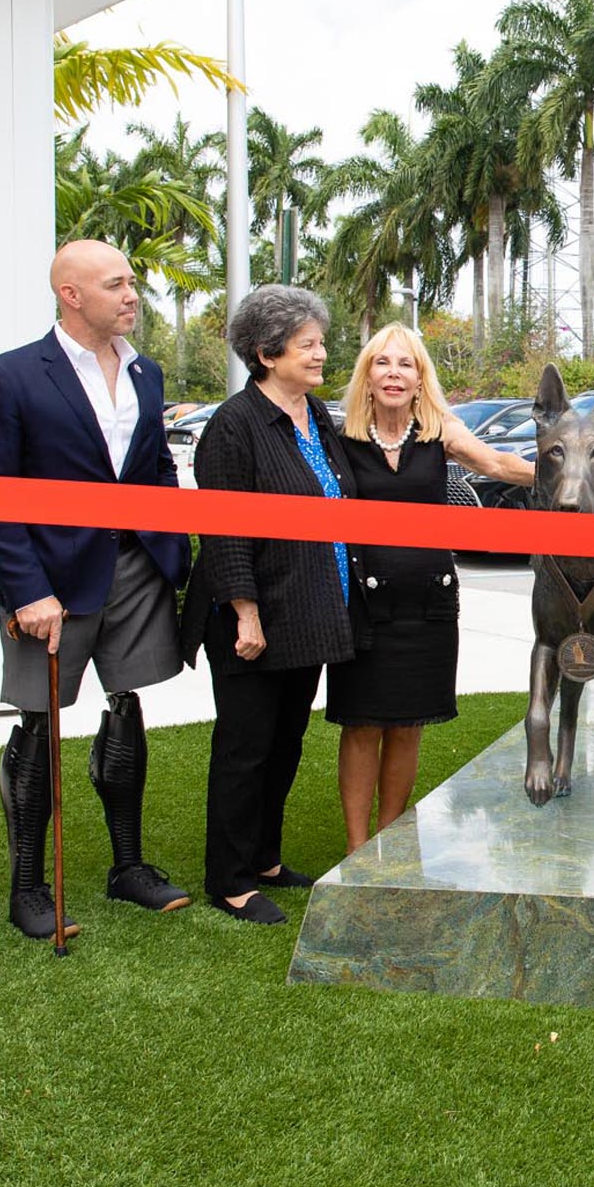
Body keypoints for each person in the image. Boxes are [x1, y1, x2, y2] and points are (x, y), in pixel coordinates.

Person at [0, 240, 192, 941]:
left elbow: (152, 468)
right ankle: (27, 886)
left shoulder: (146, 372)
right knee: (40, 722)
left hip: (135, 571)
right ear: (71, 293)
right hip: (52, 583)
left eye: (132, 283)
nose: (132, 296)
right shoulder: (9, 377)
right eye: (116, 284)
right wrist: (27, 590)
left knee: (126, 708)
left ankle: (128, 868)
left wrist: (171, 549)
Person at [180, 287, 357, 925]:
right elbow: (224, 530)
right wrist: (244, 611)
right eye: (308, 344)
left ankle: (263, 858)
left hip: (308, 609)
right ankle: (227, 878)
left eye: (319, 342)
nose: (321, 354)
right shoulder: (234, 426)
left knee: (285, 743)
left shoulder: (317, 416)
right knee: (245, 747)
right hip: (252, 618)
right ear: (265, 353)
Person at [327, 322, 533, 850]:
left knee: (407, 724)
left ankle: (388, 840)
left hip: (429, 604)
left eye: (406, 364)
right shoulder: (339, 436)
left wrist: (566, 466)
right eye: (383, 363)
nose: (394, 374)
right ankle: (355, 849)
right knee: (361, 725)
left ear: (421, 378)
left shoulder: (439, 429)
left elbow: (498, 463)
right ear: (366, 375)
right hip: (364, 605)